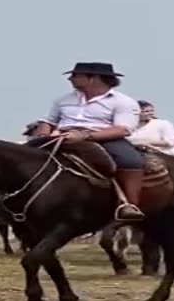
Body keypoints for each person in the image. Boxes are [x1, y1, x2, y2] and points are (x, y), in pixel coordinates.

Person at [26, 62, 145, 221]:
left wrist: (85, 136)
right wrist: (43, 134)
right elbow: (49, 121)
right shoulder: (63, 99)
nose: (70, 79)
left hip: (103, 139)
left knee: (130, 160)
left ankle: (128, 204)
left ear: (93, 78)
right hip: (61, 137)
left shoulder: (123, 102)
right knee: (20, 157)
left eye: (76, 75)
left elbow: (123, 129)